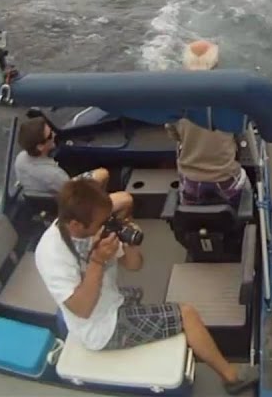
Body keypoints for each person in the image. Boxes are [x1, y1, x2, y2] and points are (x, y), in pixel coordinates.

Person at [35, 179, 259, 394]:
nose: (105, 226)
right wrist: (97, 261)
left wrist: (127, 234)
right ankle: (231, 377)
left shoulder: (94, 224)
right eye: (101, 223)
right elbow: (82, 309)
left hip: (110, 301)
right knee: (187, 314)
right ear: (75, 224)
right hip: (100, 329)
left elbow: (135, 265)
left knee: (137, 293)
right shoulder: (51, 253)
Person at [166, 40, 250, 208]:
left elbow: (173, 135)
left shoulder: (173, 100)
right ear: (216, 64)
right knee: (247, 186)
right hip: (226, 180)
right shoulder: (231, 99)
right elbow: (240, 133)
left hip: (191, 182)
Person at [15, 115, 133, 219]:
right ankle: (103, 218)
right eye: (50, 135)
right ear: (40, 146)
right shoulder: (54, 175)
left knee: (102, 174)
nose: (55, 135)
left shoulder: (20, 159)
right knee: (126, 199)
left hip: (52, 201)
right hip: (74, 209)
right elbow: (76, 197)